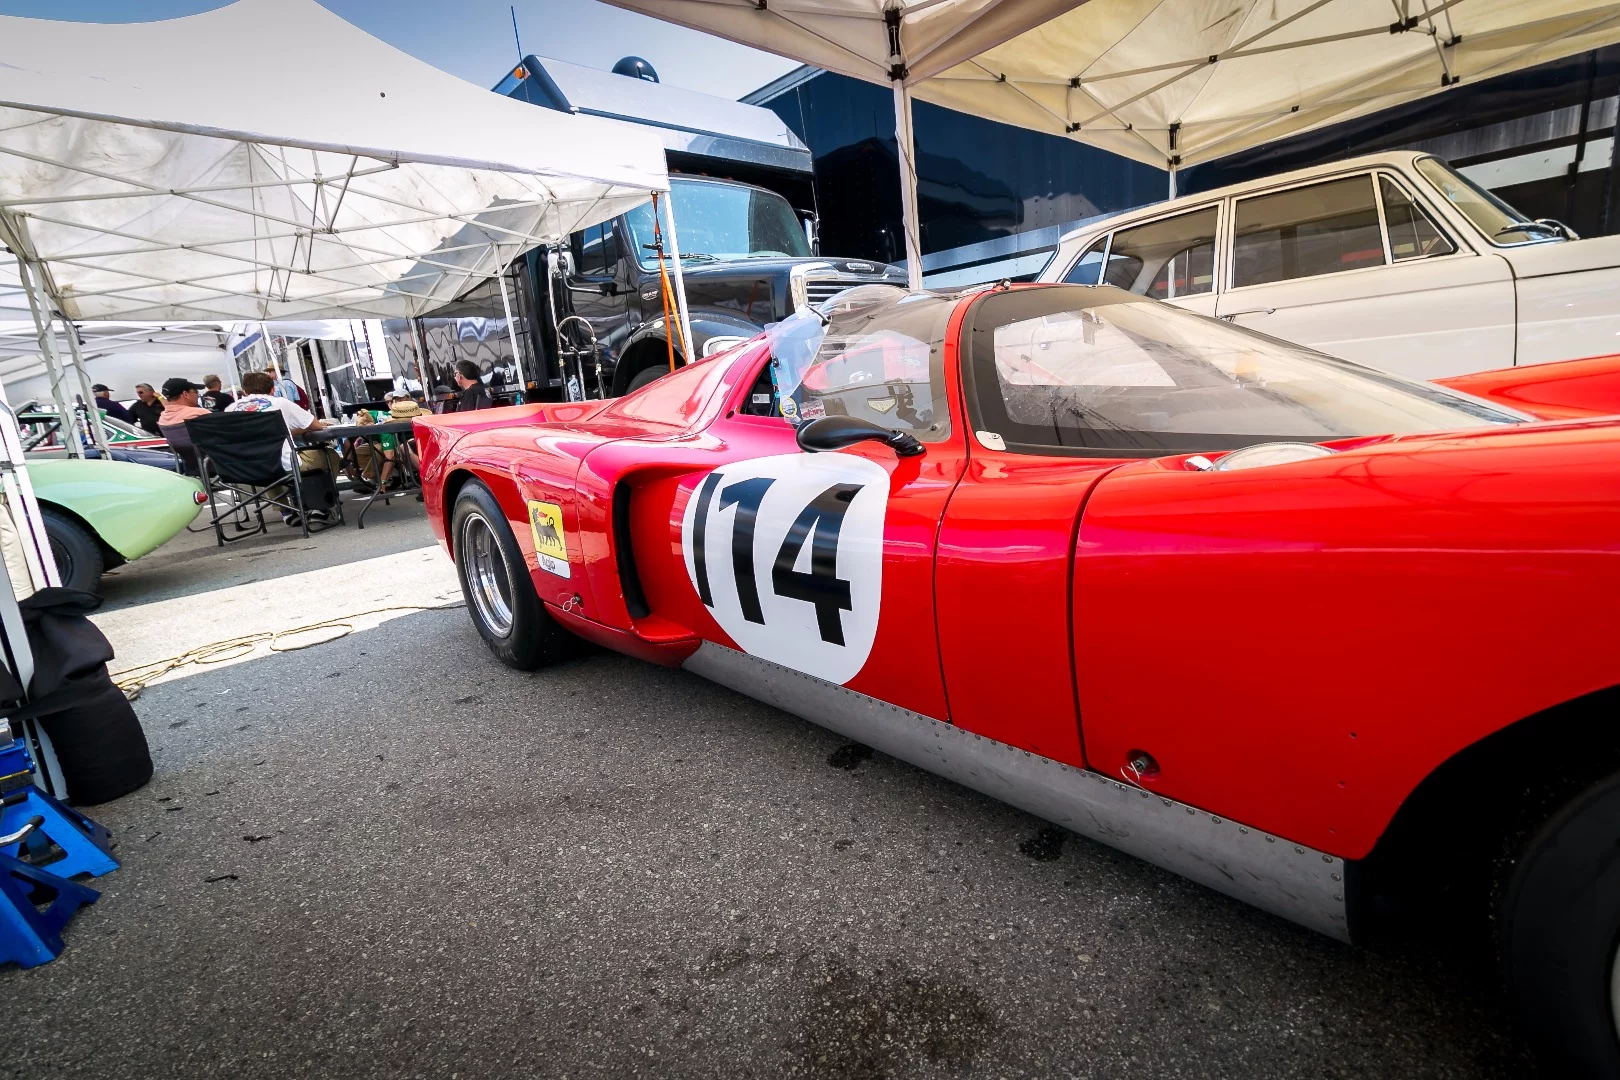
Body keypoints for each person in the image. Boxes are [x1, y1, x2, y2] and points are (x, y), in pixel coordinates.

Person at [226, 371, 339, 526]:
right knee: (330, 455)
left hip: (247, 467)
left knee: (267, 460)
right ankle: (320, 507)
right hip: (284, 464)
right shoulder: (280, 403)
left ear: (244, 392)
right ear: (272, 389)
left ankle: (285, 510)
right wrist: (303, 430)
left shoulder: (230, 409)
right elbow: (316, 426)